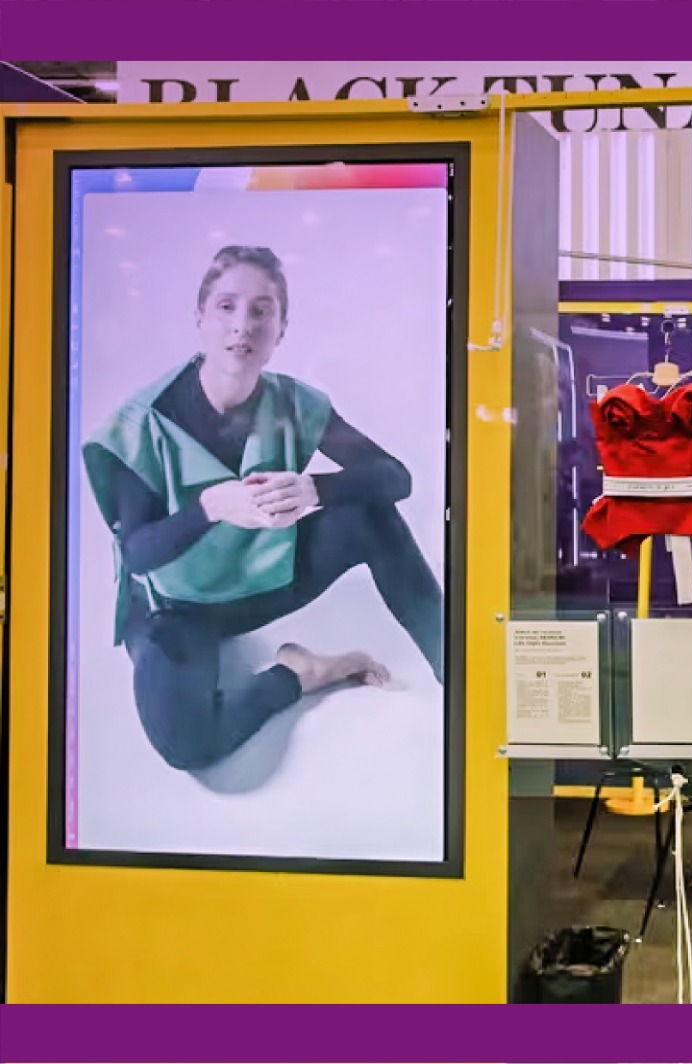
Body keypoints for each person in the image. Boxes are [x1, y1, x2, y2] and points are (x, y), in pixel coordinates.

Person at [81, 245, 445, 773]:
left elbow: (396, 479)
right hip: (175, 609)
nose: (242, 326)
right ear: (200, 319)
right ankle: (302, 673)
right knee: (187, 745)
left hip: (257, 585)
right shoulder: (143, 422)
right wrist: (210, 506)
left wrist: (316, 489)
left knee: (371, 514)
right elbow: (138, 555)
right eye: (226, 307)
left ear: (281, 328)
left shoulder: (296, 403)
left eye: (261, 310)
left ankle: (454, 678)